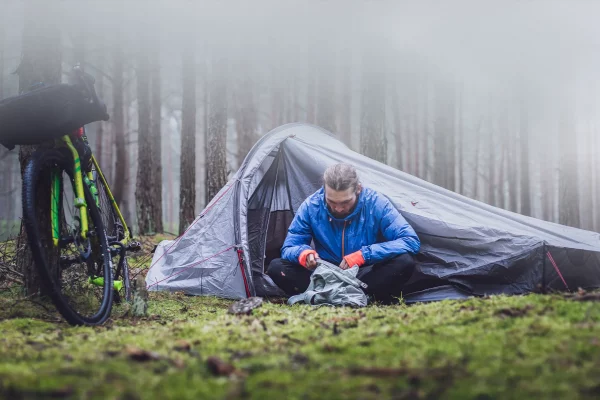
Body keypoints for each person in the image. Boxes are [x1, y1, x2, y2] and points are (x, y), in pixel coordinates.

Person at [267, 163, 420, 304]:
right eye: (332, 202)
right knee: (276, 267)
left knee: (405, 262)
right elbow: (289, 247)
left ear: (358, 189)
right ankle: (345, 296)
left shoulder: (377, 203)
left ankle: (338, 296)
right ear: (324, 191)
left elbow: (410, 241)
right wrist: (303, 254)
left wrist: (364, 255)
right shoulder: (310, 206)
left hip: (363, 275)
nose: (338, 208)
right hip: (323, 275)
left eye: (345, 202)